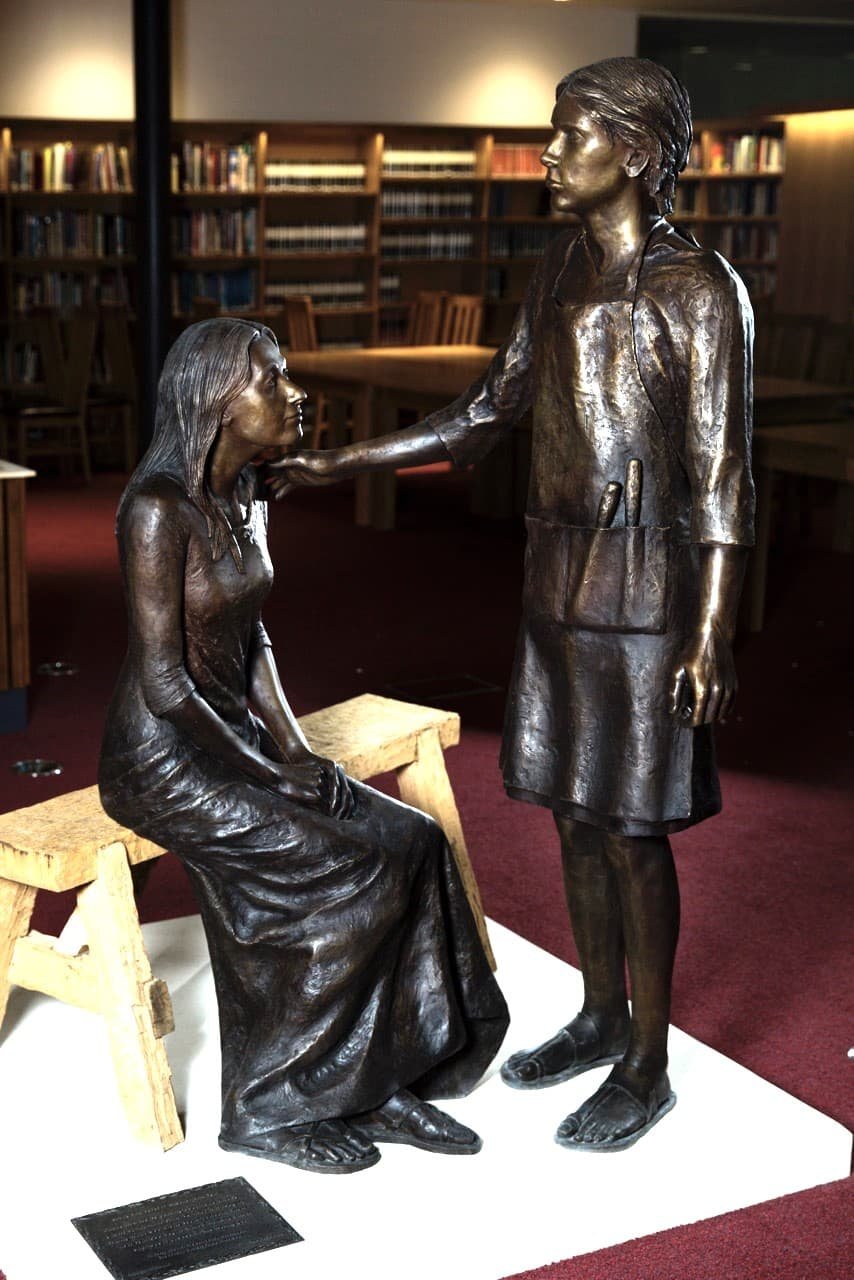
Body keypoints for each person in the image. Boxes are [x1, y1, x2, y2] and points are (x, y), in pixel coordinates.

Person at [270, 57, 755, 1153]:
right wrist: (342, 456)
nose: (545, 153)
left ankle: (646, 1059)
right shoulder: (555, 270)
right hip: (556, 577)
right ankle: (593, 1012)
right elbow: (484, 410)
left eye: (568, 134)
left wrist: (711, 627)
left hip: (648, 589)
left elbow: (722, 473)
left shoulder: (696, 290)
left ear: (631, 151)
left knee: (631, 829)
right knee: (574, 815)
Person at [98, 317, 509, 1175]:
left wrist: (294, 750)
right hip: (161, 763)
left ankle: (382, 1076)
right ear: (218, 398)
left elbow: (254, 644)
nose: (296, 394)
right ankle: (268, 1105)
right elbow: (168, 686)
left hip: (231, 740)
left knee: (413, 842)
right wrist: (268, 770)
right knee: (348, 876)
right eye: (272, 379)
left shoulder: (244, 492)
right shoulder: (155, 511)